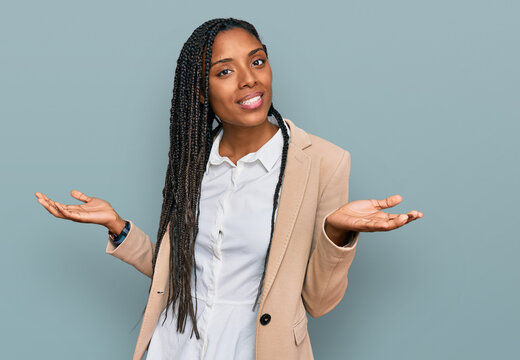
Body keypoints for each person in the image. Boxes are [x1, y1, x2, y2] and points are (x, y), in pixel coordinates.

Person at [35, 18, 423, 360]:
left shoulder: (324, 161)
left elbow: (318, 303)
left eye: (257, 61)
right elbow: (183, 272)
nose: (249, 78)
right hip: (174, 346)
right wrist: (119, 228)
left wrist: (336, 234)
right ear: (202, 92)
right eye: (224, 71)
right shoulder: (193, 160)